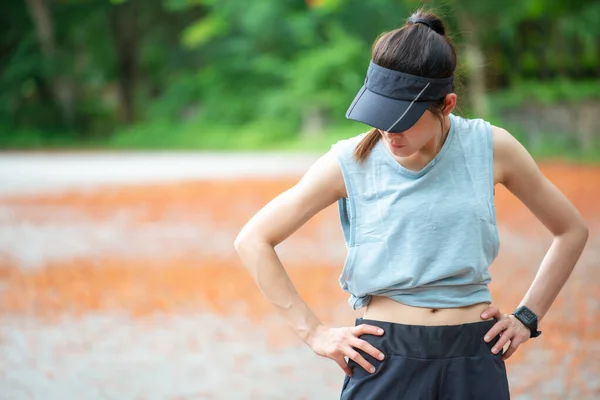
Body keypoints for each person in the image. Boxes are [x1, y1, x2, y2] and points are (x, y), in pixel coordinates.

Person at [233, 9, 589, 400]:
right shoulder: (350, 161)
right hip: (384, 361)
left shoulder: (491, 148)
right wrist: (314, 333)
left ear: (447, 104)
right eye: (379, 115)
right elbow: (253, 240)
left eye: (401, 119)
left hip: (473, 358)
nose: (388, 131)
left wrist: (527, 317)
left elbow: (571, 229)